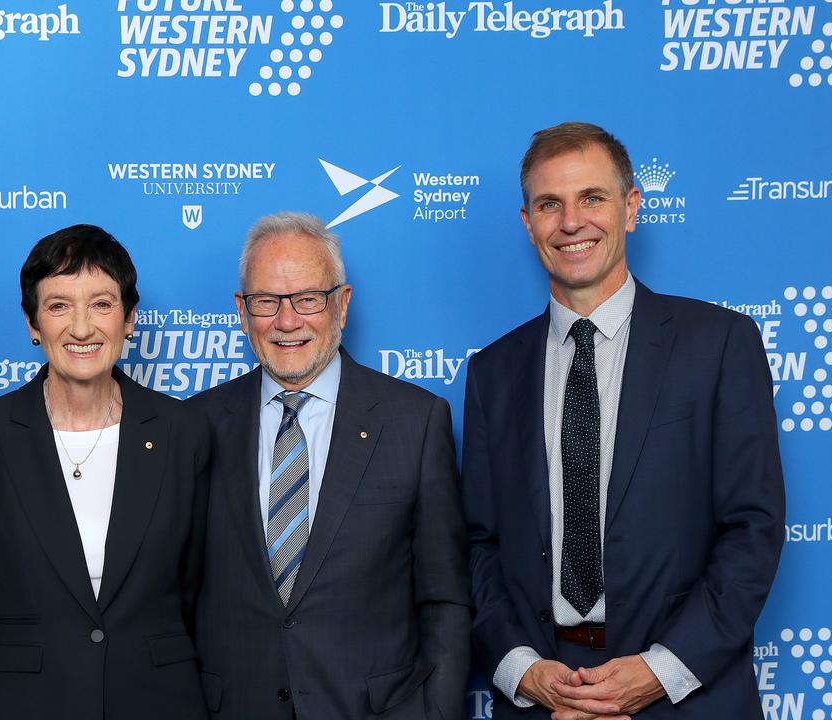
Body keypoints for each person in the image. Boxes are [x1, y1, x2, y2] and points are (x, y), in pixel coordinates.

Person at [461, 121, 785, 719]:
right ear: (528, 222)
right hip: (545, 698)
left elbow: (753, 529)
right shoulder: (492, 372)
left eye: (593, 198)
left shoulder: (718, 345)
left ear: (631, 208)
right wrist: (521, 669)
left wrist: (658, 671)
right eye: (548, 204)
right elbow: (480, 545)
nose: (571, 222)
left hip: (686, 695)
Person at [188, 212, 471, 720]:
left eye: (307, 299)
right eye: (267, 302)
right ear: (242, 311)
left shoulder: (416, 422)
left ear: (341, 303)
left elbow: (444, 598)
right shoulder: (194, 426)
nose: (287, 320)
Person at [0, 224, 210, 719]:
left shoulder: (184, 432)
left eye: (102, 304)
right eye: (59, 305)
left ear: (130, 319)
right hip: (22, 703)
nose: (83, 328)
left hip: (159, 701)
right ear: (32, 323)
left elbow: (198, 588)